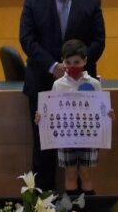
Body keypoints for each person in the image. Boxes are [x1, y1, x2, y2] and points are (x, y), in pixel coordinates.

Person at [19, 0, 105, 191]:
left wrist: (76, 68)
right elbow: (27, 39)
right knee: (43, 147)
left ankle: (81, 206)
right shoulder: (33, 0)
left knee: (80, 149)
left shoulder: (91, 1)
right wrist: (54, 66)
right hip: (43, 83)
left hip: (82, 88)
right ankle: (43, 207)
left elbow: (99, 41)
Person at [34, 39, 113, 197]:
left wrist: (109, 114)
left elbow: (102, 109)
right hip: (65, 137)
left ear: (85, 61)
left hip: (89, 136)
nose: (72, 66)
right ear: (63, 62)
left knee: (86, 173)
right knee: (70, 174)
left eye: (77, 62)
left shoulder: (94, 83)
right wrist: (41, 118)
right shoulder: (58, 85)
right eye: (68, 62)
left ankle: (88, 211)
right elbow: (51, 110)